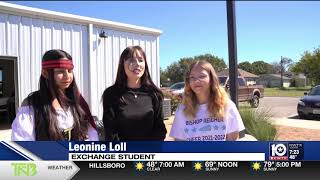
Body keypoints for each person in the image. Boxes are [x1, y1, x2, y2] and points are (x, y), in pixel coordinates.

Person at [11, 49, 98, 141]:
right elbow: (22, 140)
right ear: (45, 73)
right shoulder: (32, 104)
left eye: (69, 71)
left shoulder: (77, 100)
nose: (67, 76)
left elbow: (90, 134)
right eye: (60, 71)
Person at [102, 46, 167, 141]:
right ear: (122, 64)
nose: (137, 64)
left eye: (140, 60)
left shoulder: (155, 94)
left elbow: (160, 129)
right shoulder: (111, 94)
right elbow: (110, 132)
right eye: (131, 60)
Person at [170, 60, 245, 141]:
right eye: (192, 77)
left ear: (212, 79)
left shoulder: (227, 106)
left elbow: (232, 141)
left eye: (202, 76)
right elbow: (179, 143)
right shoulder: (182, 109)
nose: (196, 80)